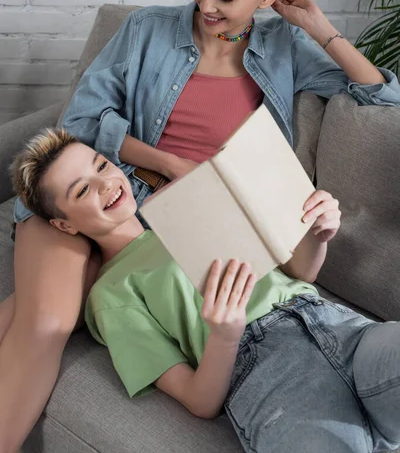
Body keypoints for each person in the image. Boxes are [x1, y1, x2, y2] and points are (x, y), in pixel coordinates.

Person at [1, 0, 400, 452]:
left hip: (202, 221)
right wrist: (167, 162)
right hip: (111, 191)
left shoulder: (283, 46)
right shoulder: (146, 31)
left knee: (32, 314)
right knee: (47, 322)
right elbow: (82, 122)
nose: (206, 6)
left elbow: (379, 96)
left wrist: (319, 26)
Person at [11, 129, 400, 453]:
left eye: (101, 165)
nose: (105, 184)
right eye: (81, 191)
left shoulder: (191, 208)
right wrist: (224, 336)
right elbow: (199, 400)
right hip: (266, 376)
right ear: (64, 226)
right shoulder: (109, 294)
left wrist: (318, 234)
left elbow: (301, 272)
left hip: (340, 329)